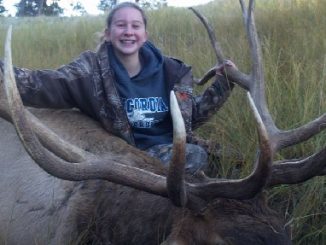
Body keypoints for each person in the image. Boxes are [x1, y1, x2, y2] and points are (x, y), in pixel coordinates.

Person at [0, 2, 235, 174]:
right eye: (121, 25)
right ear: (108, 34)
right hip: (125, 159)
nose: (128, 32)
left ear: (145, 35)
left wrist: (224, 83)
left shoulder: (173, 72)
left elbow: (191, 116)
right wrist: (4, 71)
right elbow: (43, 85)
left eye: (135, 26)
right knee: (194, 158)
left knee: (230, 161)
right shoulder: (90, 71)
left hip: (173, 151)